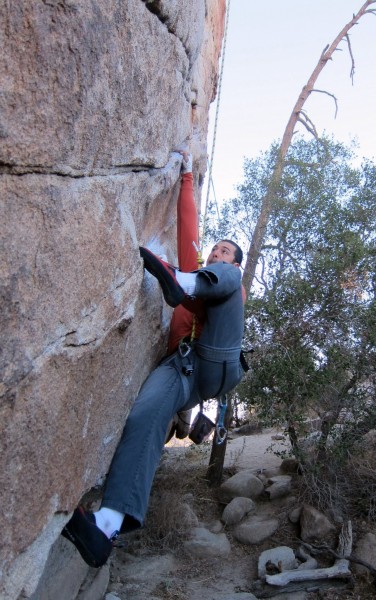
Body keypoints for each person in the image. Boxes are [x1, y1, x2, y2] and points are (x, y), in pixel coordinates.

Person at [61, 152, 245, 568]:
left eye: (225, 252)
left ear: (233, 262)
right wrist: (185, 177)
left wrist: (196, 280)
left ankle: (183, 281)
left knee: (220, 286)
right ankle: (105, 529)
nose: (217, 253)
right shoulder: (201, 264)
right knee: (144, 416)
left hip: (217, 363)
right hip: (182, 369)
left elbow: (222, 282)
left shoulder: (231, 283)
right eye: (215, 250)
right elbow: (189, 227)